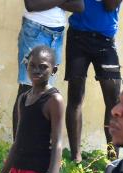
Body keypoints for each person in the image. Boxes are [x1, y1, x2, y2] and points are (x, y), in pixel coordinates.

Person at [11, 1, 84, 137]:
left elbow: (79, 6)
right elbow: (32, 5)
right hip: (35, 30)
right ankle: (18, 150)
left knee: (43, 93)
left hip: (57, 34)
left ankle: (33, 147)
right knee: (27, 91)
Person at [64, 0, 123, 162]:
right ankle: (76, 157)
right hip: (78, 36)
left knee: (113, 102)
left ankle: (112, 158)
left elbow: (109, 6)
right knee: (75, 97)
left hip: (105, 40)